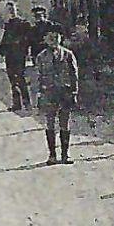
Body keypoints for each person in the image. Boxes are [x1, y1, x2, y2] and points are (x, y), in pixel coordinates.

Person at [33, 26, 80, 165]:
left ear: (61, 38)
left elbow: (74, 75)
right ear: (45, 39)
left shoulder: (68, 54)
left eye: (56, 36)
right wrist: (39, 94)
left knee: (65, 122)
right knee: (50, 123)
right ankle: (52, 155)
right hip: (49, 93)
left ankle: (65, 155)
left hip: (64, 92)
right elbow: (38, 77)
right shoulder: (41, 56)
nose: (53, 39)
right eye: (50, 37)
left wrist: (74, 92)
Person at [0, 2, 33, 111]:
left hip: (18, 55)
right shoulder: (8, 25)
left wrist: (24, 49)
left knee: (20, 78)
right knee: (12, 79)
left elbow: (28, 39)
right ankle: (17, 104)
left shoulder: (23, 24)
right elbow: (5, 38)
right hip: (10, 55)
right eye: (9, 10)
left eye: (12, 9)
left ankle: (26, 103)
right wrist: (2, 49)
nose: (11, 12)